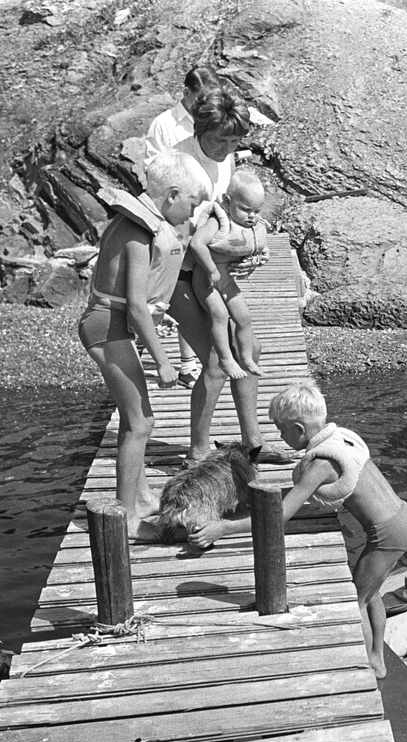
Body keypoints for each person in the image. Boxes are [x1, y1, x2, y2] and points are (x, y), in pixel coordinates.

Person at [189, 380, 407, 678]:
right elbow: (299, 493)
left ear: (298, 428)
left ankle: (369, 666)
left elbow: (278, 517)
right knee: (370, 591)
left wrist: (223, 528)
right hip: (403, 517)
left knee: (355, 600)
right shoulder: (342, 438)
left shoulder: (321, 463)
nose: (281, 437)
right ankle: (377, 656)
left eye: (282, 430)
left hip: (387, 533)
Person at [77, 151, 209, 541]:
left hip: (113, 323)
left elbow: (136, 304)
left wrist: (158, 316)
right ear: (170, 196)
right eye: (190, 205)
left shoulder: (138, 223)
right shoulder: (137, 232)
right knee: (140, 422)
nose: (189, 216)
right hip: (106, 329)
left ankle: (142, 495)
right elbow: (134, 306)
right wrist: (164, 361)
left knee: (135, 417)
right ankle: (126, 518)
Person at [167, 87, 288, 465]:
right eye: (221, 140)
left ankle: (253, 442)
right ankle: (198, 450)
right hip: (179, 273)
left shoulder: (228, 161)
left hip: (216, 269)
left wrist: (246, 252)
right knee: (217, 361)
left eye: (235, 141)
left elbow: (228, 221)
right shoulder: (178, 160)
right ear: (202, 128)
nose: (227, 148)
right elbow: (170, 225)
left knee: (248, 348)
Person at [145, 64, 221, 388]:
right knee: (174, 287)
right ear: (186, 92)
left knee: (196, 289)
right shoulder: (164, 125)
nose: (202, 105)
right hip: (174, 214)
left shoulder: (212, 123)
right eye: (199, 99)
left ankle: (198, 360)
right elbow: (154, 170)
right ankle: (182, 360)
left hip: (203, 216)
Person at [187, 170, 269, 382]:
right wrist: (211, 270)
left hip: (228, 279)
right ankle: (225, 358)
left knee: (244, 318)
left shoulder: (252, 225)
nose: (252, 216)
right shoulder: (218, 220)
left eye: (257, 211)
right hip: (207, 279)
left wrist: (257, 259)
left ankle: (246, 357)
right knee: (220, 315)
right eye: (245, 209)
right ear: (227, 201)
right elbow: (196, 244)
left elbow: (260, 249)